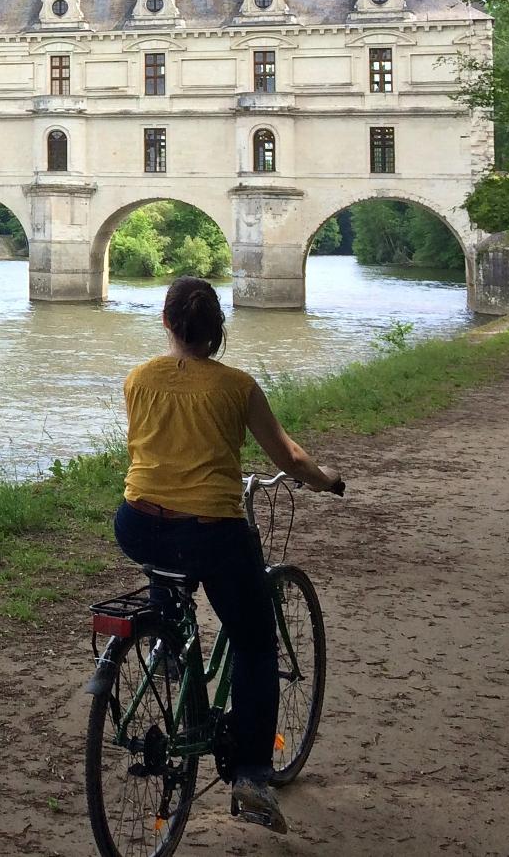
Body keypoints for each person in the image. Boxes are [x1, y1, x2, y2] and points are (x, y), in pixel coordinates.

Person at [115, 275, 343, 836]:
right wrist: (325, 480)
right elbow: (288, 456)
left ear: (167, 323)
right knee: (255, 644)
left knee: (169, 570)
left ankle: (166, 644)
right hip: (214, 529)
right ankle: (250, 774)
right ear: (218, 331)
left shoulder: (138, 380)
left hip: (138, 521)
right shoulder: (236, 387)